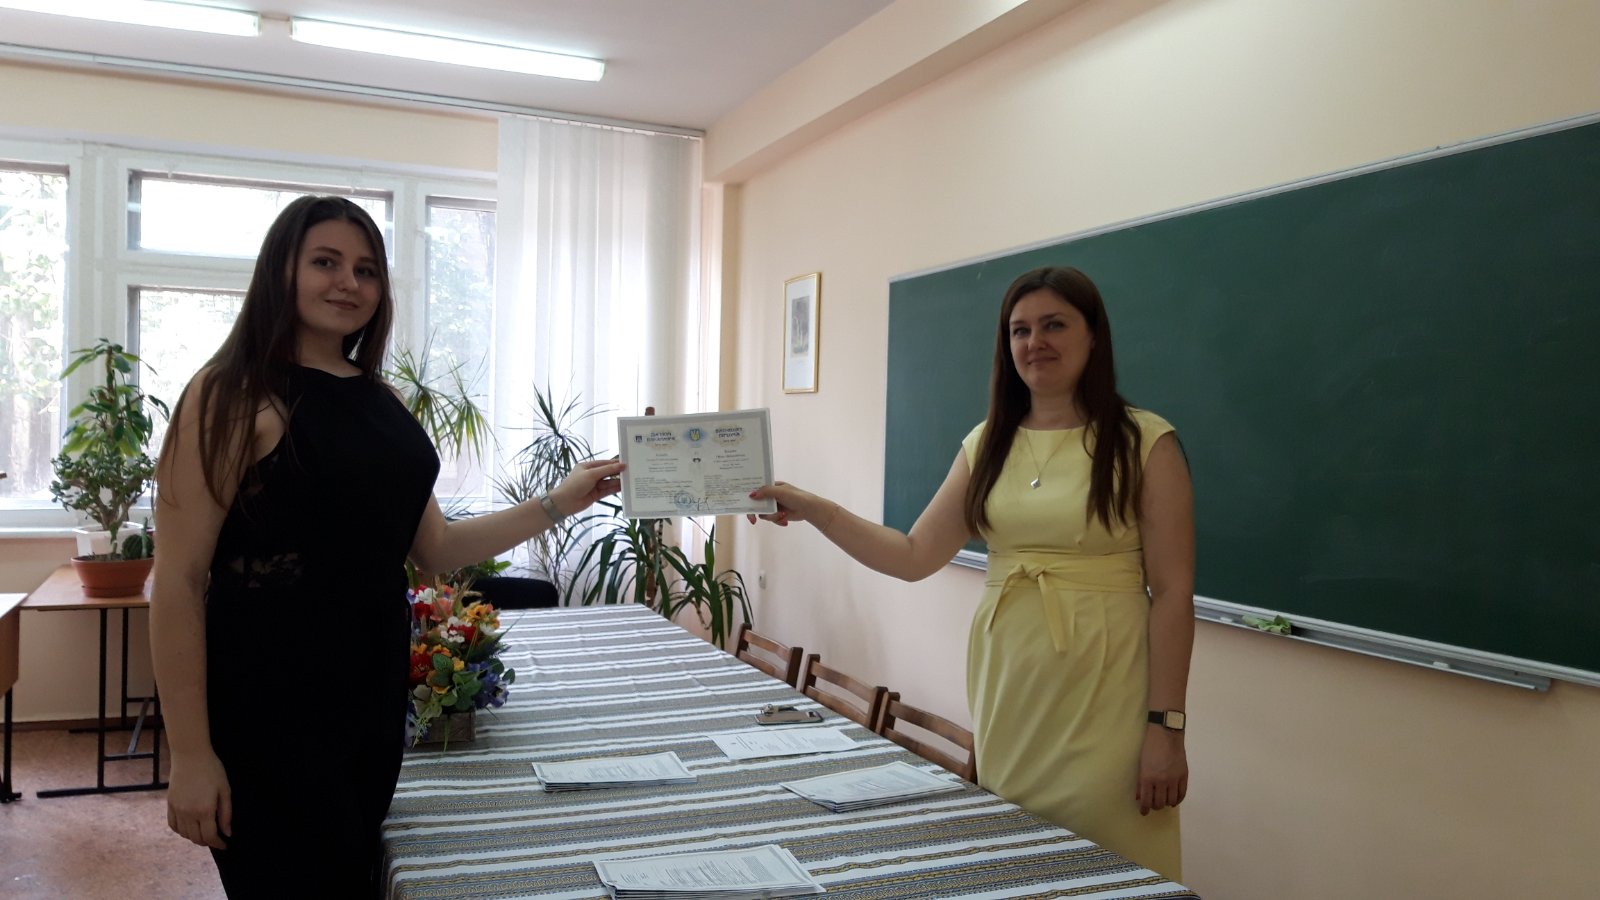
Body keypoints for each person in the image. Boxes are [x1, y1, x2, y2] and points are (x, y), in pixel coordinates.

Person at [148, 195, 625, 898]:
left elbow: (438, 548)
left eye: (366, 269)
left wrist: (560, 501)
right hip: (267, 705)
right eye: (326, 262)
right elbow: (179, 581)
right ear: (281, 270)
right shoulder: (231, 394)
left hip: (368, 695)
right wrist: (190, 754)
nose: (349, 282)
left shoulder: (381, 400)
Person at [749, 265, 1194, 881]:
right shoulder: (987, 444)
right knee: (1017, 855)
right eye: (1020, 330)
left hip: (1109, 691)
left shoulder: (1145, 441)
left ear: (1094, 335)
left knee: (1107, 864)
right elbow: (912, 556)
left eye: (1054, 325)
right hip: (1010, 685)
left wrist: (1166, 729)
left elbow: (1172, 594)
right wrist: (816, 509)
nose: (1034, 342)